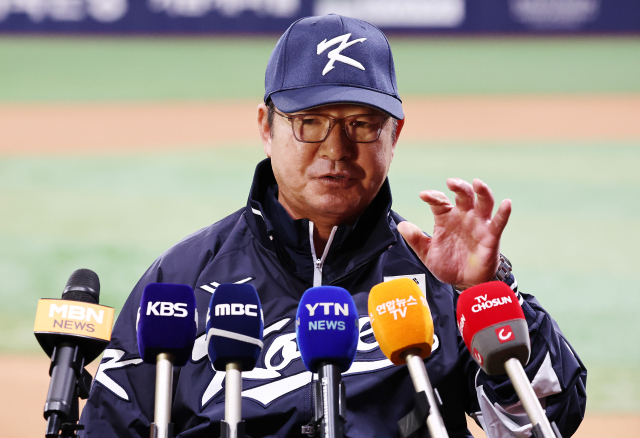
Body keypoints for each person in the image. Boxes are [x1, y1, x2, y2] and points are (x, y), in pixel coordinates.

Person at [80, 14, 586, 438]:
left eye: (361, 124)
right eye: (311, 121)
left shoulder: (439, 278)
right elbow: (109, 426)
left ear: (394, 135)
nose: (337, 149)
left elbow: (545, 421)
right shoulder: (181, 280)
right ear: (266, 127)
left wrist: (487, 289)